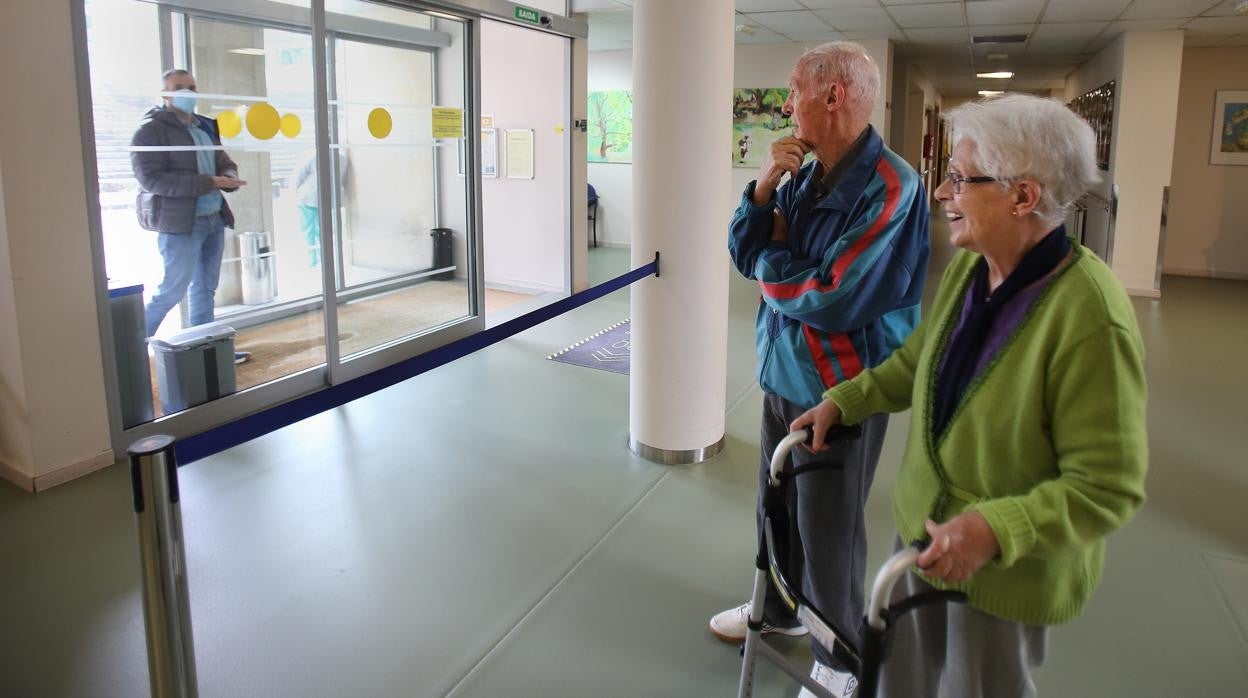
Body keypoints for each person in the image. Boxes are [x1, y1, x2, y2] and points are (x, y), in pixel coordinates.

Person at [792, 94, 1148, 697]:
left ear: (1023, 196)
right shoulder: (973, 266)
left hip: (1001, 573)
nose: (941, 193)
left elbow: (1107, 486)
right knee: (896, 682)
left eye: (959, 179)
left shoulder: (1091, 317)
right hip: (924, 538)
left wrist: (994, 530)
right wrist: (845, 400)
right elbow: (918, 361)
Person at [718, 42, 931, 696]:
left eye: (793, 90)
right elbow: (745, 249)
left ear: (832, 97)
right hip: (783, 370)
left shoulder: (894, 187)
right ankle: (780, 611)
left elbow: (836, 295)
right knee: (774, 506)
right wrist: (763, 189)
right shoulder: (805, 174)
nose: (786, 104)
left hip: (841, 386)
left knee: (829, 532)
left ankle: (837, 658)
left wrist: (772, 267)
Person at [131, 68, 250, 363]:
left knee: (205, 290)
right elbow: (152, 181)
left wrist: (229, 175)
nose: (187, 93)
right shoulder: (150, 131)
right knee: (171, 291)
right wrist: (208, 182)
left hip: (213, 218)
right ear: (165, 93)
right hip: (180, 224)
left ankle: (207, 352)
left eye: (192, 87)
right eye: (179, 87)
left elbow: (223, 160)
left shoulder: (206, 126)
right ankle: (129, 354)